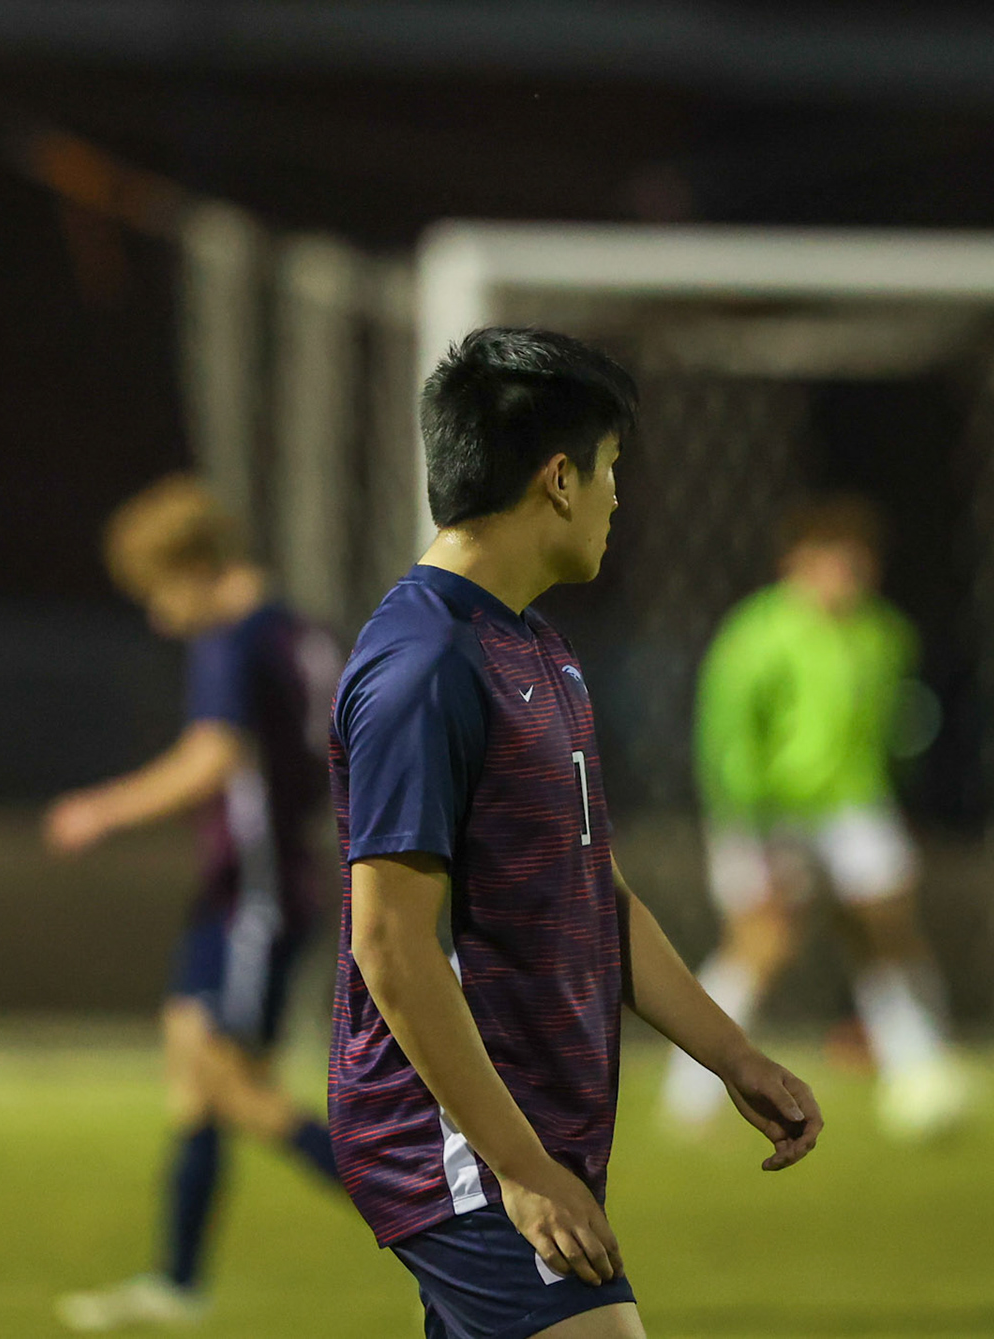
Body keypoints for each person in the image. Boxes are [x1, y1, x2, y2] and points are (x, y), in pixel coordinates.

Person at [329, 327, 823, 1339]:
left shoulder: (535, 646)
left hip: (530, 1130)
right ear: (558, 478)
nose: (614, 499)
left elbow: (593, 894)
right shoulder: (423, 668)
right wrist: (519, 1169)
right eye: (609, 471)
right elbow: (389, 943)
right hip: (458, 1147)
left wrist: (733, 1056)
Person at [43, 474, 343, 1332]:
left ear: (197, 567)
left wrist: (101, 808)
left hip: (258, 892)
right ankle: (177, 1281)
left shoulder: (232, 639)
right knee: (192, 1072)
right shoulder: (302, 629)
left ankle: (441, 1227)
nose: (155, 614)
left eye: (156, 591)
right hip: (246, 888)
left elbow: (209, 761)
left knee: (235, 1086)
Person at [659, 495, 970, 1143]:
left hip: (853, 805)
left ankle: (921, 1070)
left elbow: (896, 732)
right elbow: (727, 738)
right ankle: (689, 1088)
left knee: (885, 924)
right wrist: (754, 831)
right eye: (833, 563)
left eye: (858, 565)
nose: (846, 578)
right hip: (769, 812)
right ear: (797, 563)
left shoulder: (884, 634)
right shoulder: (756, 634)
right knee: (763, 943)